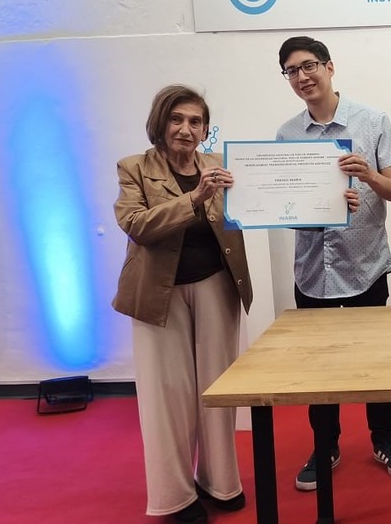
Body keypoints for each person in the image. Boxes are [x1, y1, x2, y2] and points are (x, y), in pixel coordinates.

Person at [273, 35, 391, 491]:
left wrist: (366, 175)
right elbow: (282, 205)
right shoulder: (286, 135)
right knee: (319, 367)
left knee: (376, 362)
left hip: (364, 266)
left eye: (309, 65)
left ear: (329, 67)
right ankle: (325, 446)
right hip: (313, 271)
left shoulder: (372, 121)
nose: (302, 77)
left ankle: (385, 439)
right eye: (292, 71)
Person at [113, 85, 253, 524]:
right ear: (160, 123)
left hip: (217, 286)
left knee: (218, 388)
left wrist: (327, 200)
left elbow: (257, 206)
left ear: (206, 130)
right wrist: (193, 199)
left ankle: (219, 481)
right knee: (167, 396)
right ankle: (174, 495)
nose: (186, 129)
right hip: (159, 295)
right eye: (177, 119)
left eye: (195, 121)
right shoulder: (134, 167)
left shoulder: (220, 164)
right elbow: (136, 224)